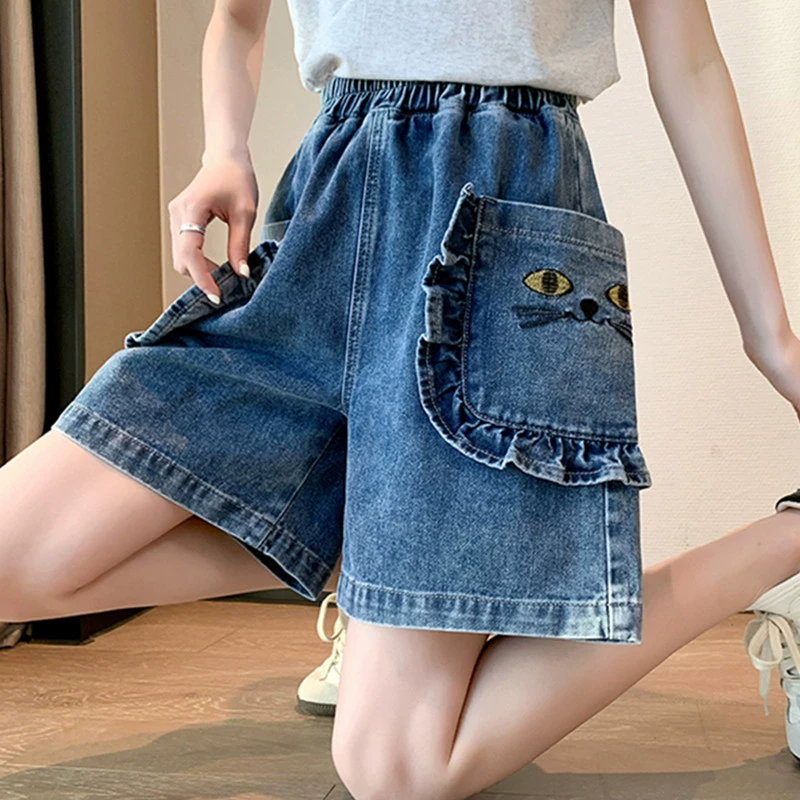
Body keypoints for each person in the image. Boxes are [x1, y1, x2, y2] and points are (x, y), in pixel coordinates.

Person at [2, 0, 800, 796]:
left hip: (499, 227)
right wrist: (223, 150)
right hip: (322, 217)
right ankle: (375, 564)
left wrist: (770, 337)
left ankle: (789, 539)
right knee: (17, 561)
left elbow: (690, 66)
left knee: (396, 770)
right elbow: (238, 19)